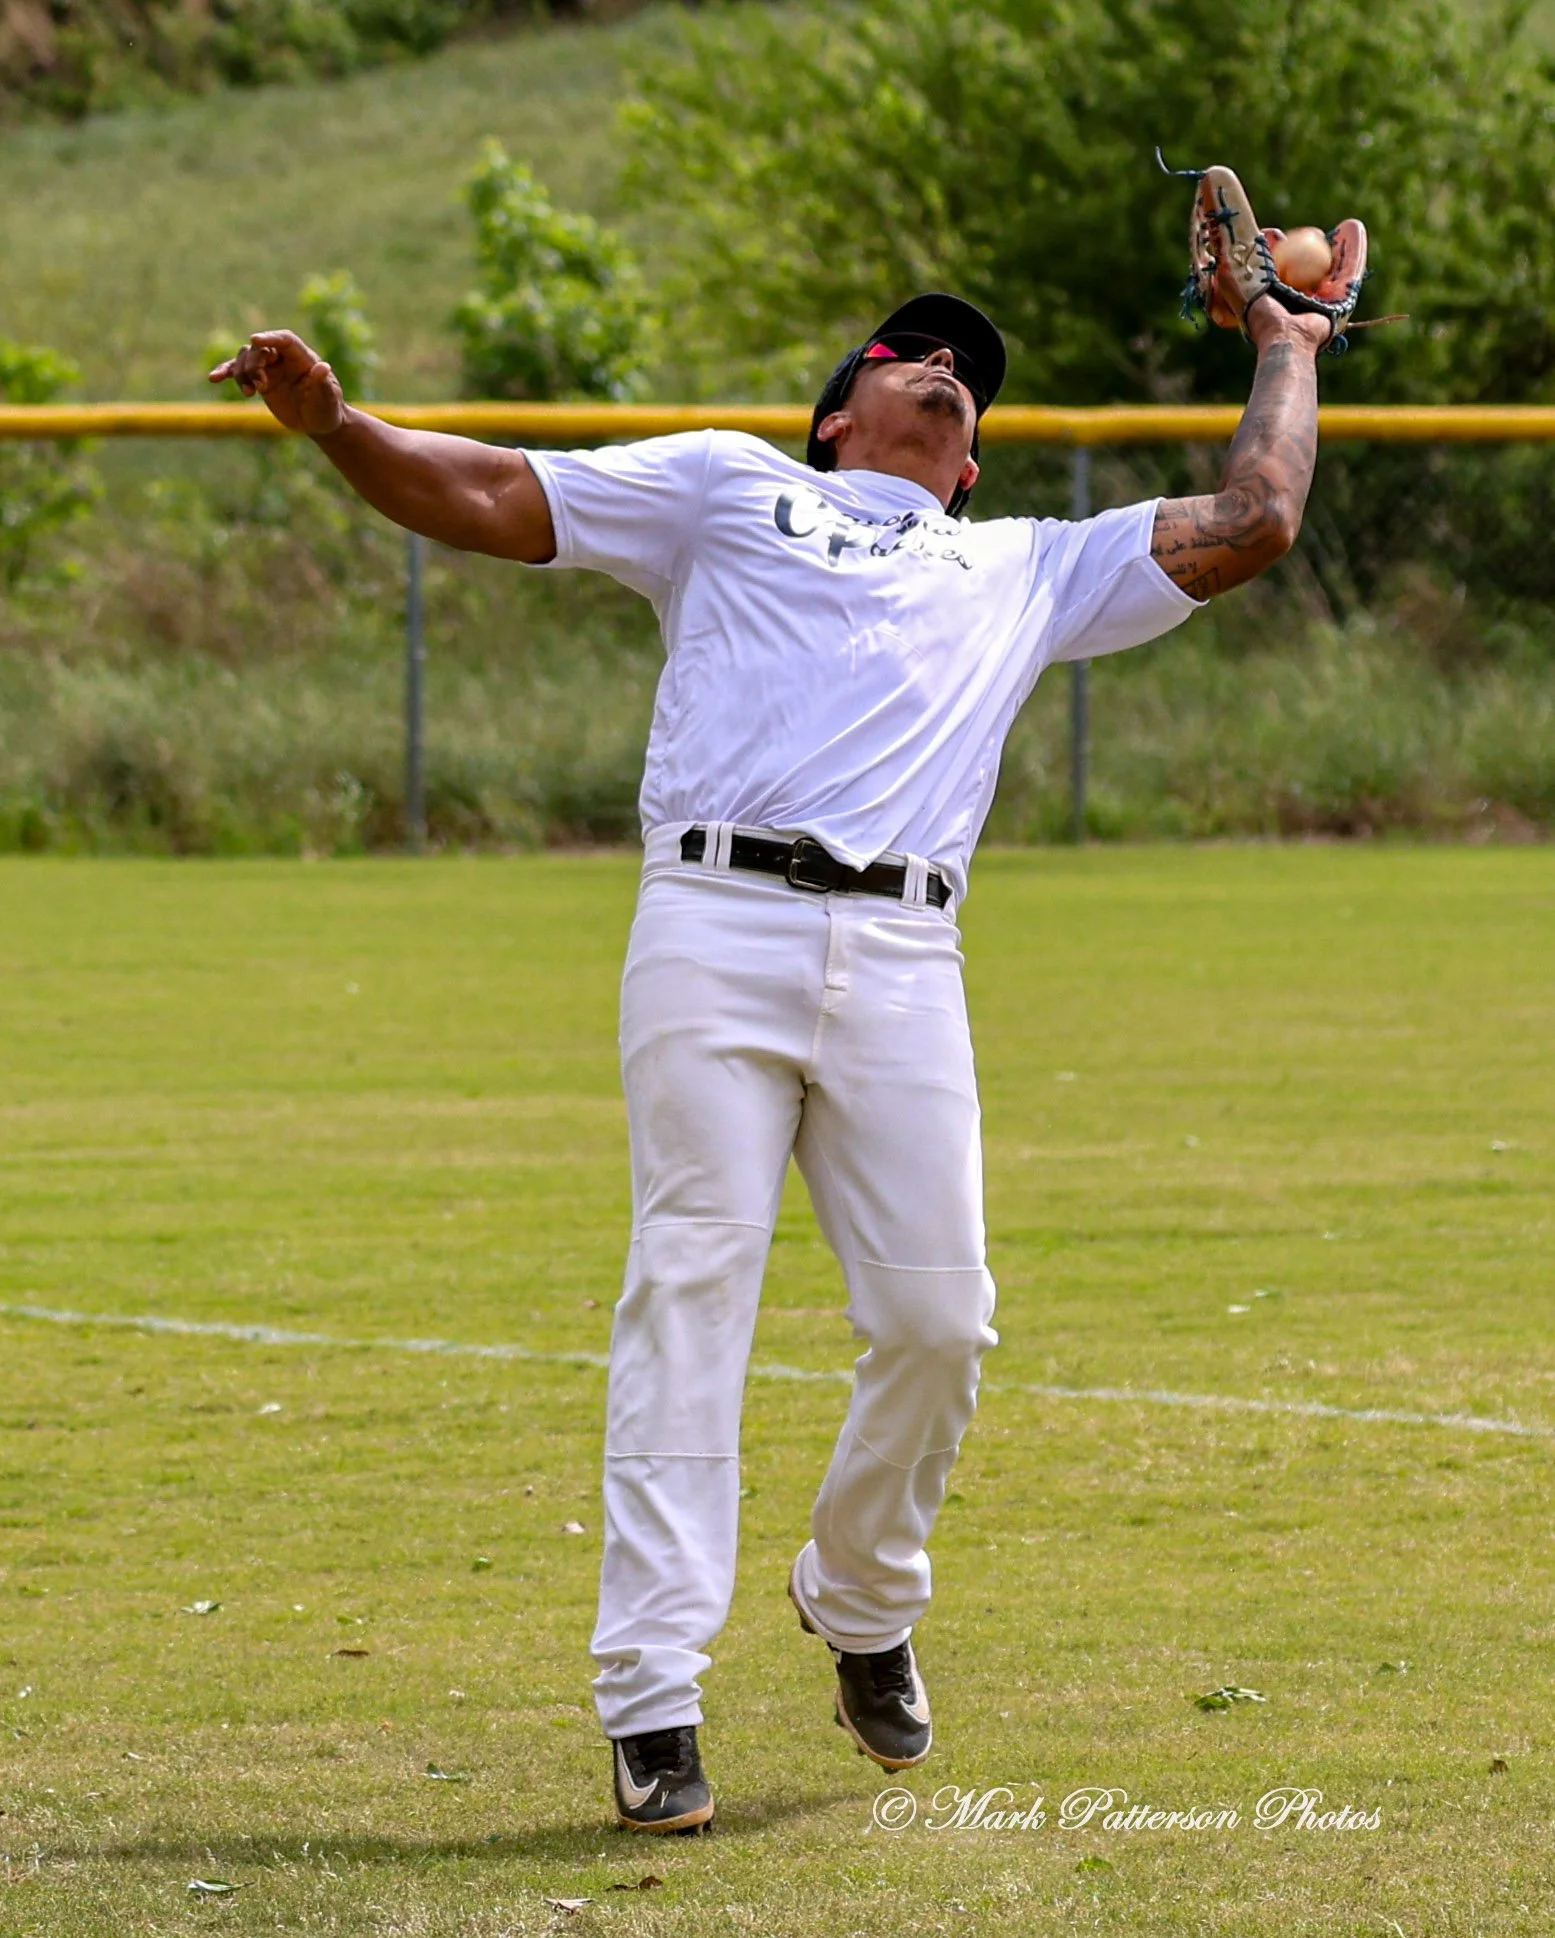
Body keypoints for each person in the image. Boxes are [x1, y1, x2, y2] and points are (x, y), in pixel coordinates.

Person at [213, 286, 1328, 1836]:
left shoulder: (1020, 564)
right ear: (836, 414)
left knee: (943, 1319)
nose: (943, 369)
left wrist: (1289, 337)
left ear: (970, 466)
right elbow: (487, 492)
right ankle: (651, 1693)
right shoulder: (733, 487)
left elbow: (1258, 513)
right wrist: (335, 423)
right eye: (911, 354)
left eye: (968, 378)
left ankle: (858, 1596)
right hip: (713, 922)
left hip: (904, 961)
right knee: (692, 1289)